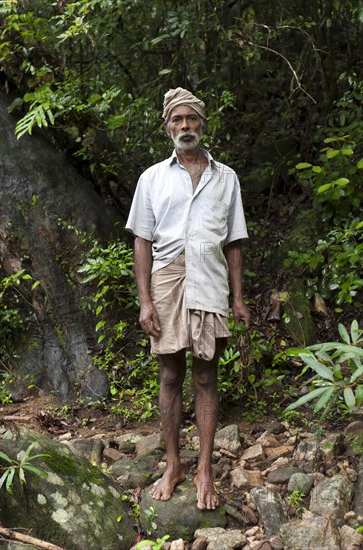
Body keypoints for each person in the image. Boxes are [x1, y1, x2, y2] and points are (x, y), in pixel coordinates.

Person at [125, 87, 250, 510]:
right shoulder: (152, 178)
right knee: (170, 375)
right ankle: (174, 463)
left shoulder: (226, 178)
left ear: (202, 123)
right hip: (167, 281)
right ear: (167, 127)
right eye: (177, 120)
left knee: (206, 376)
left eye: (191, 119)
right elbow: (142, 241)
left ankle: (205, 469)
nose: (185, 126)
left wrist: (238, 298)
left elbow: (233, 243)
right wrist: (145, 301)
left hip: (211, 281)